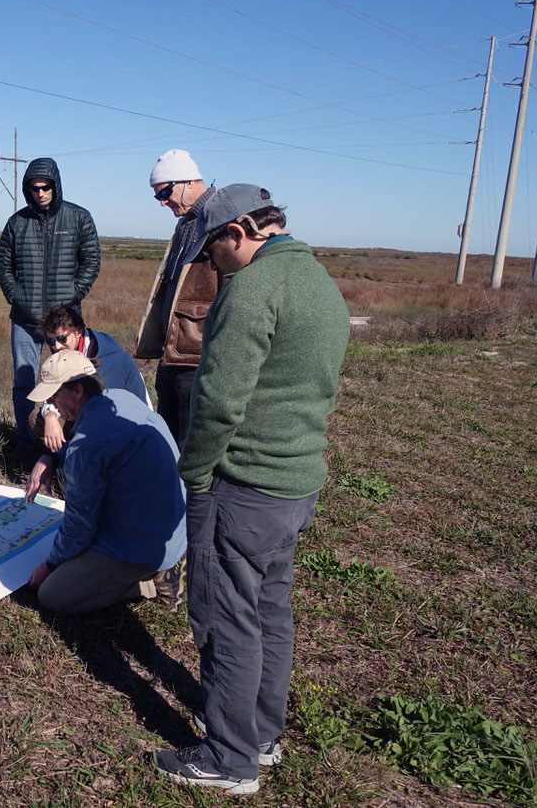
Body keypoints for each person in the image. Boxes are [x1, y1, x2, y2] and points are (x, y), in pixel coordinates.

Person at [154, 185, 349, 794]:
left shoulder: (253, 290)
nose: (213, 267)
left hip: (241, 485)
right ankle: (262, 734)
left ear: (238, 232)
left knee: (224, 620)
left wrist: (194, 476)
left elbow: (217, 402)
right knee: (269, 611)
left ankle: (229, 758)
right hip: (295, 483)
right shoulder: (319, 281)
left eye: (213, 252)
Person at [22, 350, 186, 614]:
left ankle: (148, 584)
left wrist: (50, 565)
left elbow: (80, 526)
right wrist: (51, 457)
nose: (52, 404)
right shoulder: (120, 398)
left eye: (54, 395)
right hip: (173, 527)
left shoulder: (87, 446)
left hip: (142, 546)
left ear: (77, 390)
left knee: (52, 594)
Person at [0, 157, 101, 456]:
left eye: (46, 187)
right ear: (28, 189)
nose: (40, 193)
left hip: (64, 323)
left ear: (56, 186)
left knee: (73, 378)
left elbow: (91, 261)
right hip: (25, 319)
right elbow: (3, 264)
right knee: (24, 382)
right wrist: (17, 296)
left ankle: (71, 441)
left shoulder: (79, 218)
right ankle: (28, 442)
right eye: (34, 188)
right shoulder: (17, 222)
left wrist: (73, 293)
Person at [134, 149, 223, 449]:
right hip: (172, 352)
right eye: (156, 196)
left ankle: (187, 496)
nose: (162, 202)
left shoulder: (220, 220)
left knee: (190, 441)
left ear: (188, 181)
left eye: (165, 192)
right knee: (168, 435)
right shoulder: (185, 222)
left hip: (197, 355)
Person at [32, 303, 149, 453]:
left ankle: (73, 463)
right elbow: (54, 392)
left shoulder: (107, 357)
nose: (57, 347)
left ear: (78, 332)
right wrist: (50, 415)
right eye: (51, 341)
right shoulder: (66, 350)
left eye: (62, 338)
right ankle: (67, 460)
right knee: (37, 418)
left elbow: (102, 410)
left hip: (125, 424)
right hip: (91, 413)